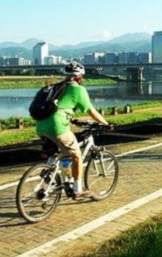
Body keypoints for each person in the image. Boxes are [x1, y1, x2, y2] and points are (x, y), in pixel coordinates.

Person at [35, 61, 111, 200]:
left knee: (60, 152)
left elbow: (59, 108)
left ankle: (51, 171)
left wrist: (72, 119)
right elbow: (91, 111)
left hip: (40, 126)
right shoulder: (78, 89)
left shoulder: (56, 88)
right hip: (57, 127)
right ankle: (77, 190)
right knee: (76, 156)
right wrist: (106, 123)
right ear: (79, 77)